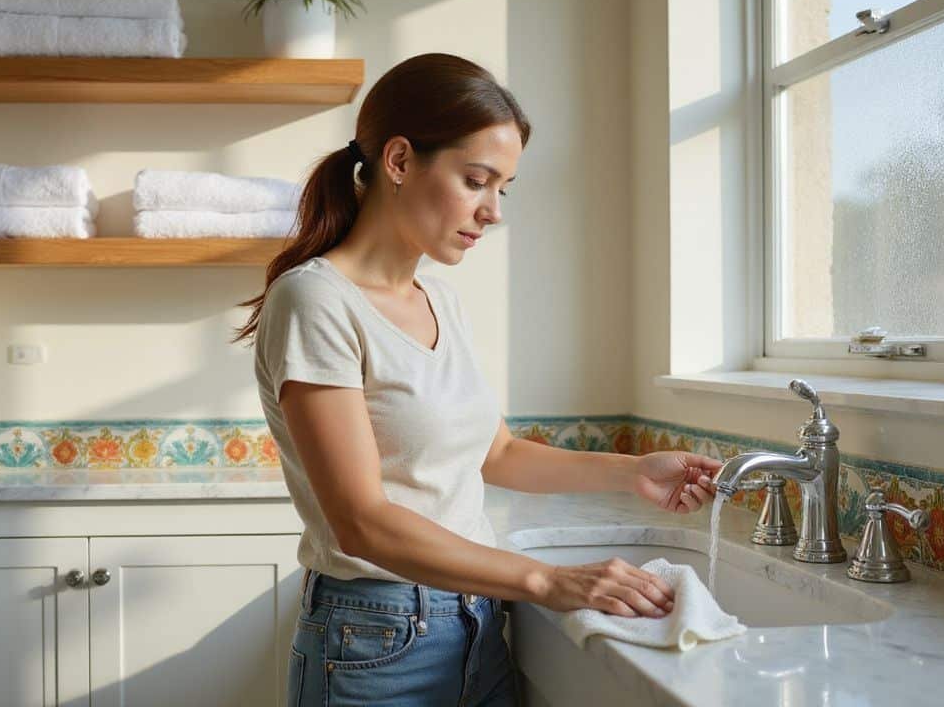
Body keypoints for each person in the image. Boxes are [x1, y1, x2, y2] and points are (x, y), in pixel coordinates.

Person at [234, 52, 722, 707]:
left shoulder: (442, 301)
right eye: (476, 180)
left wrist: (631, 472)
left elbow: (499, 454)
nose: (493, 210)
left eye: (503, 189)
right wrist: (548, 581)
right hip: (376, 642)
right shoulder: (315, 301)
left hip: (479, 624)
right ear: (400, 161)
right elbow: (362, 522)